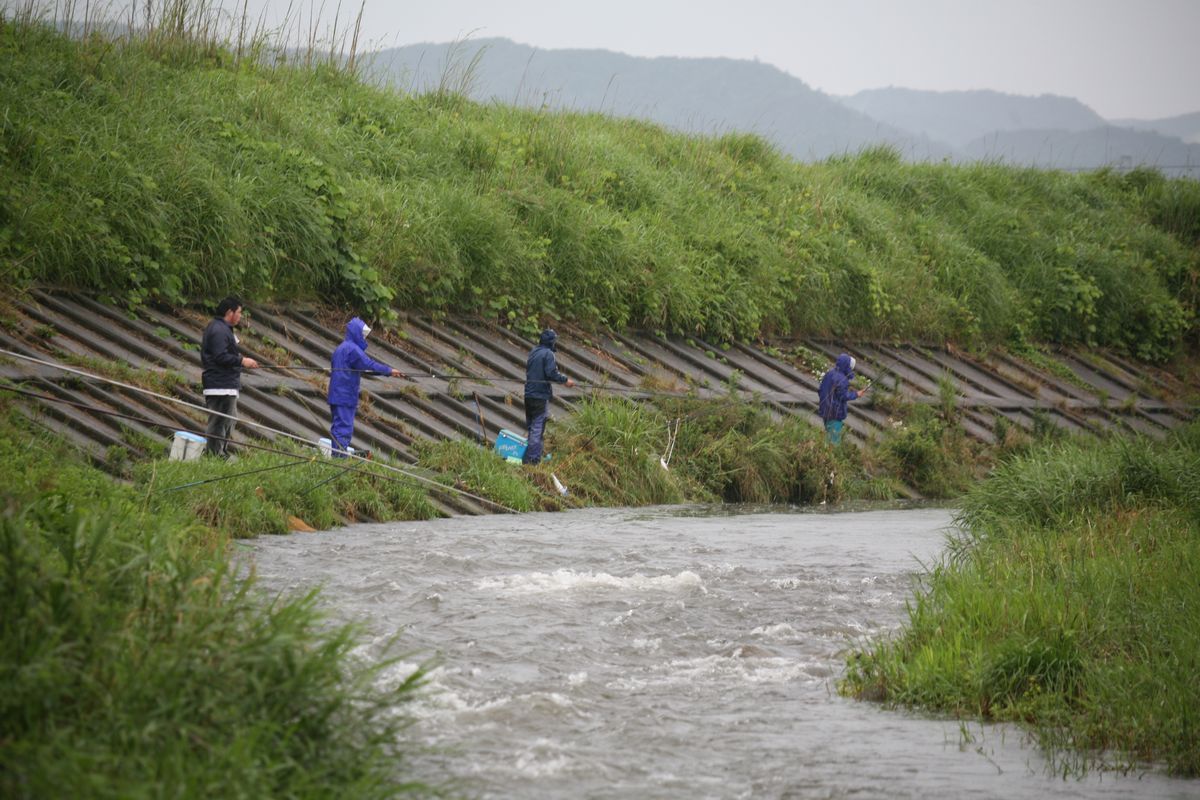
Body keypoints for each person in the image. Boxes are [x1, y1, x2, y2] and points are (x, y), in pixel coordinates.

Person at [328, 317, 404, 457]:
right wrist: (389, 371)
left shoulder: (340, 348)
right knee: (343, 429)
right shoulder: (352, 350)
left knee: (338, 428)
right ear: (356, 333)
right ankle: (339, 460)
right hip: (345, 397)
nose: (364, 338)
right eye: (362, 334)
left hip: (336, 395)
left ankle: (337, 457)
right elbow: (369, 365)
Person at [201, 295, 259, 458]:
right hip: (219, 385)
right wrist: (242, 361)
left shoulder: (223, 329)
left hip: (226, 384)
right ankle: (213, 455)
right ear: (229, 312)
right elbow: (220, 356)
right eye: (239, 312)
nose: (240, 316)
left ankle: (220, 454)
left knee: (229, 420)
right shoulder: (218, 330)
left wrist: (242, 361)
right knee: (219, 422)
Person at [523, 328, 574, 465]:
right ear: (551, 342)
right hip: (540, 396)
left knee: (531, 426)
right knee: (538, 428)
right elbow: (551, 373)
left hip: (528, 395)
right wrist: (565, 381)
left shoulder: (533, 351)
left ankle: (532, 456)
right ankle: (532, 461)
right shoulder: (548, 354)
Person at [817, 353, 868, 445]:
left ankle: (823, 456)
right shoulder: (843, 379)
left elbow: (820, 389)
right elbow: (843, 396)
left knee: (828, 438)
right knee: (834, 442)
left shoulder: (829, 373)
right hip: (835, 414)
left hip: (825, 411)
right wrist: (857, 394)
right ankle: (830, 458)